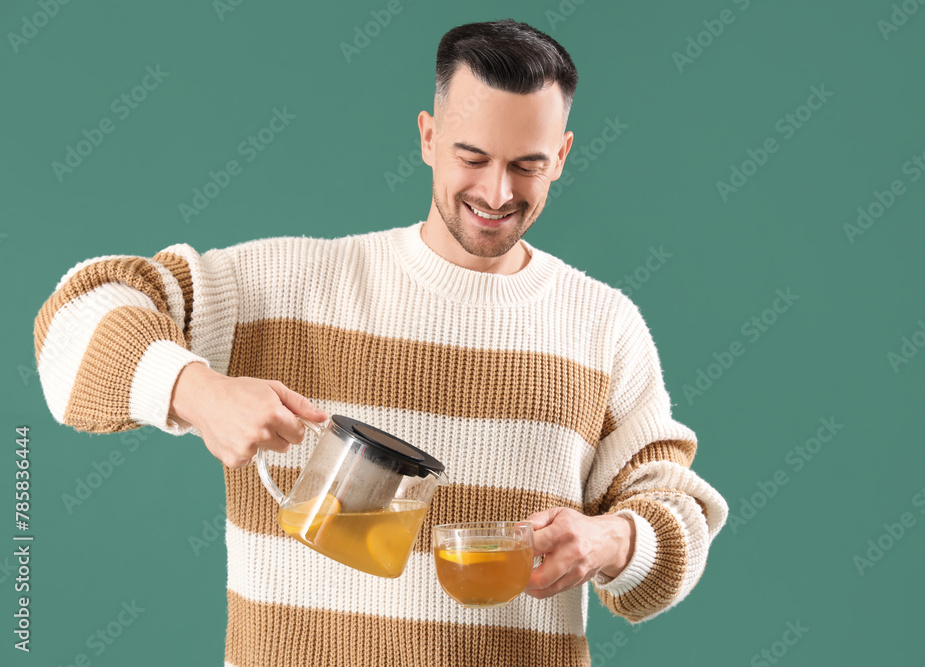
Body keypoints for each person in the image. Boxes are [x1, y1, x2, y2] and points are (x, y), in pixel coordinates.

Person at [34, 18, 728, 666]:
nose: (496, 190)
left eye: (528, 164)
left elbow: (678, 516)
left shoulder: (604, 326)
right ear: (427, 137)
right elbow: (71, 320)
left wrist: (615, 538)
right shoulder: (277, 285)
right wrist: (197, 391)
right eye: (471, 155)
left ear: (564, 155)